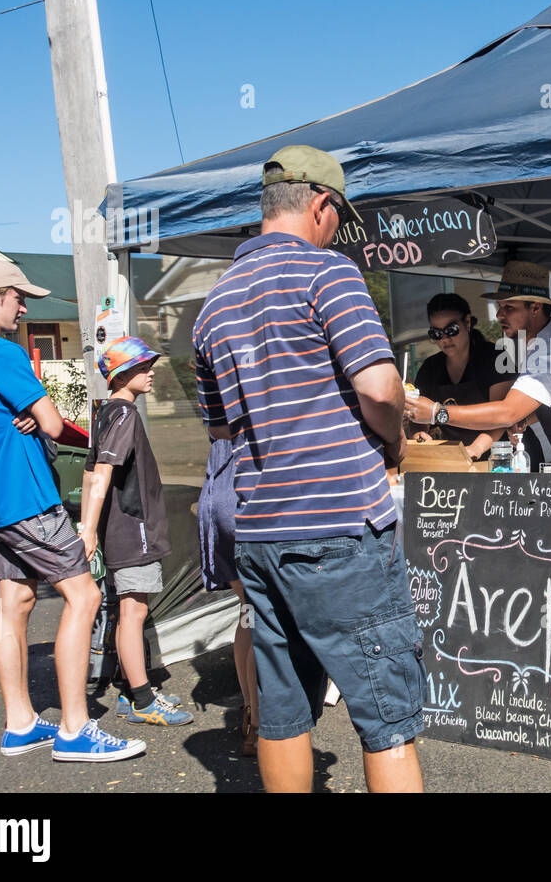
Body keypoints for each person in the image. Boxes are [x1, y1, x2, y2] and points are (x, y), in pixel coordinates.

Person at [192, 145, 423, 793]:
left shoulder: (213, 306)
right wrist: (394, 451)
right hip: (340, 526)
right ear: (322, 203)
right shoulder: (329, 274)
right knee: (388, 719)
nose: (337, 229)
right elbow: (380, 390)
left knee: (283, 711)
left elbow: (221, 432)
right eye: (339, 216)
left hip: (260, 532)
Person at [0, 259, 144, 761]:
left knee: (14, 605)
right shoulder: (2, 351)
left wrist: (32, 419)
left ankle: (20, 724)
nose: (24, 306)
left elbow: (7, 418)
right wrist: (47, 420)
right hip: (29, 494)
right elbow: (56, 425)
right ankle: (76, 729)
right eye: (18, 296)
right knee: (83, 597)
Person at [78, 337, 193, 727]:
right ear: (122, 373)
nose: (152, 372)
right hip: (132, 528)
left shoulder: (105, 412)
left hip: (120, 528)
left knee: (128, 608)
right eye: (144, 367)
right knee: (133, 610)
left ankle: (131, 691)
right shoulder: (124, 415)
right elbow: (104, 473)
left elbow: (90, 469)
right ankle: (144, 701)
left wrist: (89, 525)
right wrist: (88, 530)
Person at [408, 261, 551, 463]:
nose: (499, 314)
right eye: (500, 306)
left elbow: (508, 412)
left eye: (509, 307)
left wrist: (438, 412)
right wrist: (525, 419)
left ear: (535, 308)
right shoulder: (548, 335)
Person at [197, 435, 259, 755]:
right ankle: (257, 726)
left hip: (215, 498)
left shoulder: (220, 390)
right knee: (262, 617)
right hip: (241, 502)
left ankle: (249, 710)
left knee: (248, 611)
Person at [408, 293, 520, 461]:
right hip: (455, 459)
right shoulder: (429, 368)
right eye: (437, 333)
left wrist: (475, 449)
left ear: (467, 322)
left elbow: (502, 416)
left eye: (451, 330)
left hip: (502, 457)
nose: (445, 338)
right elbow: (418, 415)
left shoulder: (496, 358)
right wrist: (419, 434)